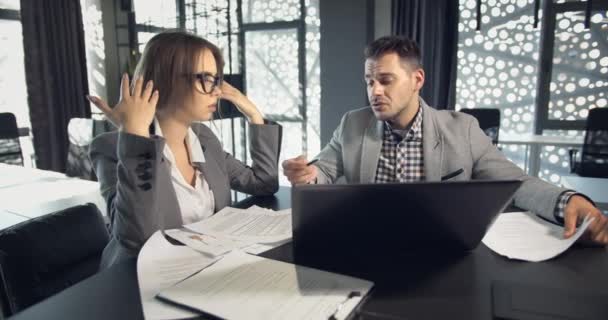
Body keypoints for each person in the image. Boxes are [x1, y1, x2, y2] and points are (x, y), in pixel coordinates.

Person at [282, 35, 607, 245]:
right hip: (371, 245)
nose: (374, 91)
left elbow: (516, 183)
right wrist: (307, 174)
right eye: (369, 81)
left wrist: (567, 201)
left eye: (385, 80)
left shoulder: (462, 130)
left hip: (439, 251)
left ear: (417, 80)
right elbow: (323, 168)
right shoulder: (353, 123)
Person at [88, 31, 281, 268]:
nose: (217, 91)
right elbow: (139, 240)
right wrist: (135, 137)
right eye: (205, 79)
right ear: (166, 79)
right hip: (138, 281)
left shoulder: (203, 139)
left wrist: (252, 112)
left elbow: (263, 183)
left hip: (205, 269)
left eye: (216, 79)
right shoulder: (109, 148)